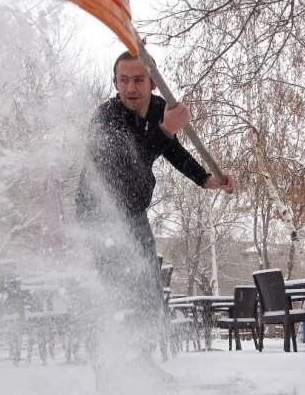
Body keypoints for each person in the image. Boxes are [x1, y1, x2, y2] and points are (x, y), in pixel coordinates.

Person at [75, 50, 234, 389]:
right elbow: (127, 166)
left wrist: (205, 179)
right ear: (114, 82)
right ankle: (109, 373)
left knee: (148, 292)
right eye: (124, 80)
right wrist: (165, 129)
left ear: (151, 81)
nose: (131, 87)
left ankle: (141, 367)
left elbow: (172, 150)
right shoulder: (107, 117)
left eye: (139, 80)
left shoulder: (161, 108)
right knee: (117, 291)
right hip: (98, 216)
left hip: (133, 213)